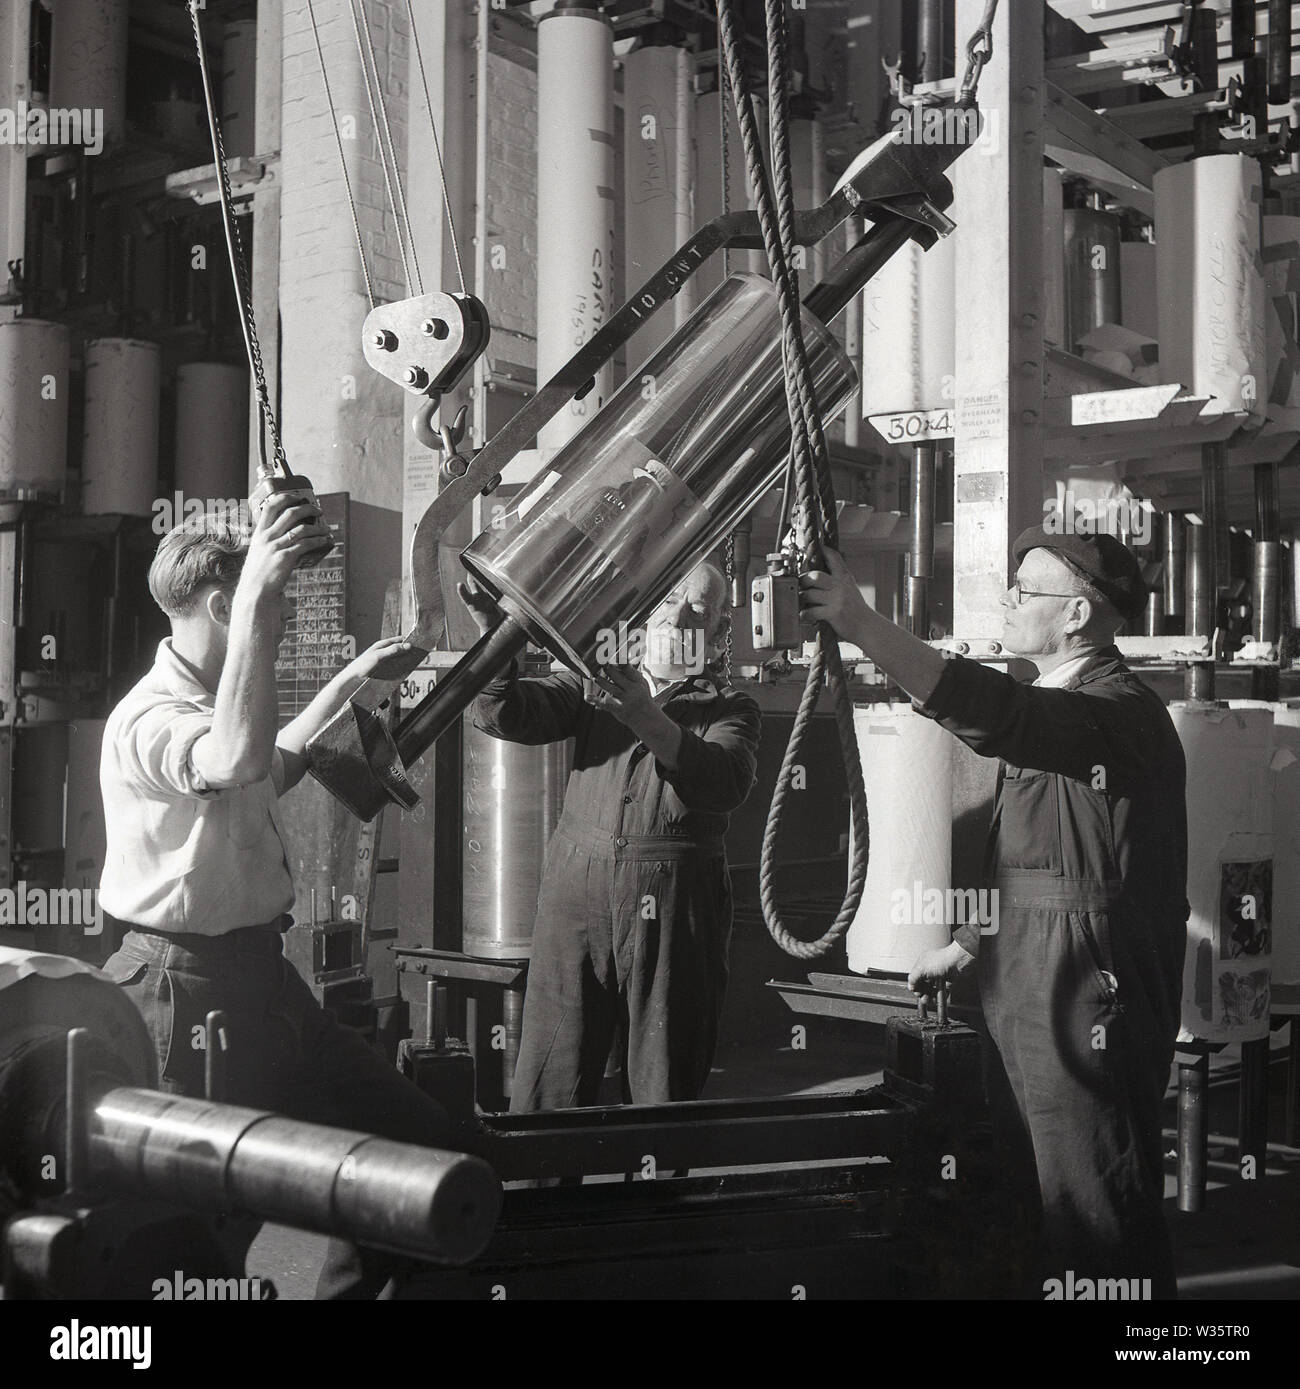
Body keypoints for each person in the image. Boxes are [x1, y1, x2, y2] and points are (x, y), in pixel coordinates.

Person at [800, 527, 1187, 1299]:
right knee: (1035, 1188)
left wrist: (864, 624)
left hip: (1083, 991)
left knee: (1093, 1198)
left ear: (1077, 613)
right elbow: (1036, 855)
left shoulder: (1118, 712)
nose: (1006, 601)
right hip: (1029, 979)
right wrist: (973, 943)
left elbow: (996, 714)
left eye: (1024, 590)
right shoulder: (1065, 708)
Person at [99, 499, 450, 1299]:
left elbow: (278, 761)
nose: (286, 618)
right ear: (227, 606)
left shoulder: (219, 705)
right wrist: (262, 584)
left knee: (408, 1157)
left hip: (266, 985)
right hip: (183, 993)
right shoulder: (146, 720)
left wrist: (354, 679)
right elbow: (233, 756)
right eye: (275, 604)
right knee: (192, 1240)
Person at [463, 561, 761, 1111]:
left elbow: (724, 781)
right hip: (577, 893)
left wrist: (647, 718)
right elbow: (507, 715)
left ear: (719, 630)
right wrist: (495, 642)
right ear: (647, 611)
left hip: (676, 902)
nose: (680, 613)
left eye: (701, 606)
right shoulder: (592, 680)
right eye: (671, 598)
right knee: (554, 1067)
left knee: (664, 1072)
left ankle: (652, 1190)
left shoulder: (732, 707)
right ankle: (544, 1194)